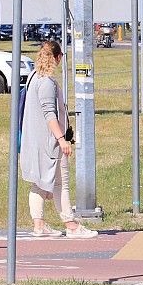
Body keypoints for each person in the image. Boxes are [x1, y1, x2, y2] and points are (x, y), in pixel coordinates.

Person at [21, 40, 98, 238]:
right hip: (49, 143)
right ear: (57, 57)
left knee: (39, 183)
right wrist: (62, 139)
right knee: (60, 183)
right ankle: (71, 225)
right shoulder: (46, 82)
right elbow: (49, 113)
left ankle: (39, 225)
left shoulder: (33, 77)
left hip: (37, 140)